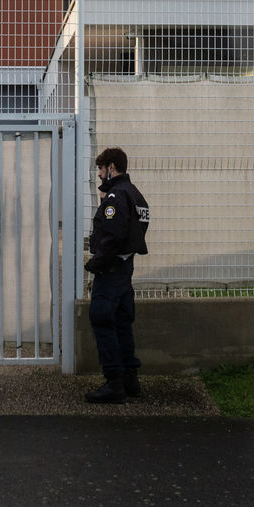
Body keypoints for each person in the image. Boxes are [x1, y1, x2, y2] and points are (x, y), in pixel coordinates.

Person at [83, 147, 150, 404]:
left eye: (101, 169)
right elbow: (138, 229)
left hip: (110, 271)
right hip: (125, 268)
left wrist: (95, 263)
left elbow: (111, 236)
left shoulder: (116, 196)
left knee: (102, 319)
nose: (99, 175)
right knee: (122, 322)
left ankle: (114, 383)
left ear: (111, 167)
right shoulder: (135, 194)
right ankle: (130, 379)